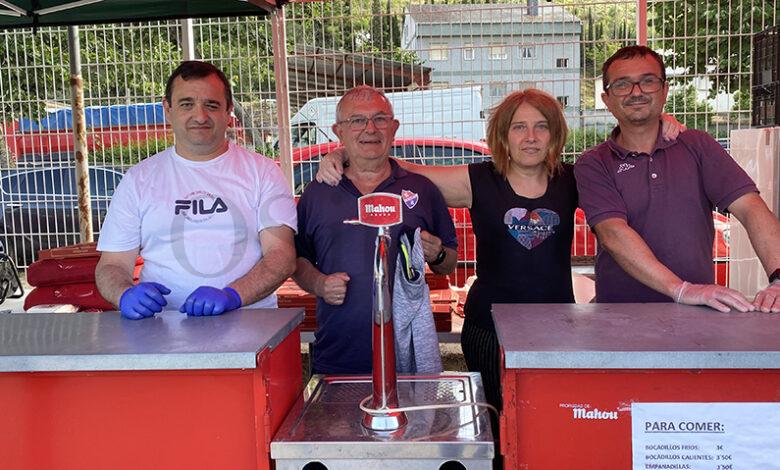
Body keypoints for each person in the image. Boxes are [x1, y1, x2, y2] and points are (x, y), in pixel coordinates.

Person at [575, 45, 780, 314]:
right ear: (607, 99)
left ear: (664, 90)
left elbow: (750, 208)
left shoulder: (698, 145)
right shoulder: (594, 163)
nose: (636, 92)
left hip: (697, 316)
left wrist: (778, 278)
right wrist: (682, 289)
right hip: (619, 318)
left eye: (648, 81)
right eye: (622, 84)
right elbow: (613, 233)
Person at [96, 60, 297, 320]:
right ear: (167, 109)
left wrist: (232, 296)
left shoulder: (263, 172)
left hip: (250, 324)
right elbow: (112, 264)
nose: (200, 116)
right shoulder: (138, 180)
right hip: (162, 328)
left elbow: (281, 255)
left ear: (228, 111)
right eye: (186, 104)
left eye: (211, 105)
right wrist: (124, 293)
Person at [293, 85, 458, 375]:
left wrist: (438, 254)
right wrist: (319, 284)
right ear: (339, 131)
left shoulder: (421, 189)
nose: (370, 128)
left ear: (394, 128)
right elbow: (297, 259)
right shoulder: (317, 193)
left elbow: (449, 263)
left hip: (407, 359)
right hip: (338, 355)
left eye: (380, 119)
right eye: (357, 120)